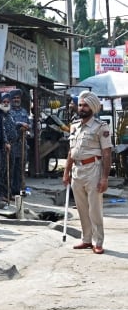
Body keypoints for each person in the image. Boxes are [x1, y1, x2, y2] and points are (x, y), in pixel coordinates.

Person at [64, 91, 112, 254]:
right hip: (77, 171)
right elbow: (71, 151)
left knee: (94, 208)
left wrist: (105, 178)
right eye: (80, 105)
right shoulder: (74, 126)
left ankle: (98, 242)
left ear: (92, 107)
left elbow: (107, 153)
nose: (82, 108)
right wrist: (66, 172)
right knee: (81, 208)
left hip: (93, 169)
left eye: (85, 105)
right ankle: (86, 240)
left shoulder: (100, 126)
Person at [8, 89, 31, 196]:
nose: (16, 100)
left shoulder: (24, 111)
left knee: (20, 168)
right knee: (11, 167)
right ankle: (10, 190)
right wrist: (19, 125)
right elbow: (9, 124)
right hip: (12, 144)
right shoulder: (8, 111)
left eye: (18, 98)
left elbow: (29, 124)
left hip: (22, 143)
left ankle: (19, 188)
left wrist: (26, 127)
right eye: (14, 98)